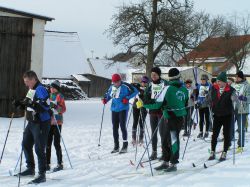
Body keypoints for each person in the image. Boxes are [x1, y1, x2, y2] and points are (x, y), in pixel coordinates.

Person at [145, 68, 188, 172]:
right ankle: (166, 161)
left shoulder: (167, 88)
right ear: (178, 77)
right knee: (169, 139)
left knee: (169, 139)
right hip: (178, 118)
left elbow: (157, 104)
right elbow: (186, 102)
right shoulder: (184, 89)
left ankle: (173, 163)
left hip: (169, 117)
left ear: (170, 77)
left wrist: (144, 103)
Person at [13, 70, 51, 184]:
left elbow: (46, 106)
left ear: (34, 79)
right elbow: (27, 102)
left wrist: (32, 105)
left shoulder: (40, 89)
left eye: (27, 81)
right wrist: (20, 104)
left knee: (39, 148)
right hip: (32, 122)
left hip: (41, 123)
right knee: (26, 144)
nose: (26, 84)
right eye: (25, 82)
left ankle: (42, 174)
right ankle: (30, 168)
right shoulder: (31, 89)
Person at [102, 74, 138, 154]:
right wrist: (105, 100)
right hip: (114, 109)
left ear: (120, 80)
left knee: (122, 126)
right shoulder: (112, 87)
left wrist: (127, 98)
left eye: (117, 81)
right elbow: (108, 95)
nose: (116, 83)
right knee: (115, 127)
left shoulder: (126, 86)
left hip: (123, 109)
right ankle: (116, 146)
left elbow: (135, 91)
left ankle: (125, 146)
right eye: (114, 82)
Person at [208, 72, 236, 161]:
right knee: (214, 134)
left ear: (224, 82)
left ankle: (224, 152)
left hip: (227, 115)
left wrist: (235, 99)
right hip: (217, 114)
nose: (218, 83)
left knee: (226, 134)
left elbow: (235, 99)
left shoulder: (231, 90)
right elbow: (208, 98)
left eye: (220, 81)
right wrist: (201, 103)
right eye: (217, 81)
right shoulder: (214, 88)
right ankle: (212, 152)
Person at [143, 67, 168, 160]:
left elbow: (168, 95)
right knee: (153, 132)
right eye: (152, 74)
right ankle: (154, 152)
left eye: (155, 74)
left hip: (162, 112)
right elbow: (146, 97)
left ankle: (164, 152)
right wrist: (147, 101)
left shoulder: (165, 83)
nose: (153, 76)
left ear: (159, 75)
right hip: (152, 111)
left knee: (163, 133)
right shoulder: (149, 85)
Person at [46, 80, 66, 172]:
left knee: (56, 143)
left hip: (57, 122)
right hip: (49, 122)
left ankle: (60, 163)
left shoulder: (60, 96)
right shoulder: (49, 96)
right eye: (51, 87)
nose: (51, 89)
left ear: (57, 88)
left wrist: (56, 107)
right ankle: (47, 163)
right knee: (48, 143)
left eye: (53, 88)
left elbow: (63, 109)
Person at [233, 71, 250, 153]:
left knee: (240, 128)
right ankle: (228, 143)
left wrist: (244, 98)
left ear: (242, 77)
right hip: (233, 108)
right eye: (236, 77)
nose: (236, 78)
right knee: (229, 127)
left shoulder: (247, 85)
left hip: (242, 109)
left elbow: (249, 98)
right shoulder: (233, 85)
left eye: (238, 77)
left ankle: (240, 145)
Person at [131, 76, 149, 146]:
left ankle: (141, 138)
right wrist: (135, 85)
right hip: (135, 106)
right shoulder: (138, 87)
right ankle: (133, 138)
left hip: (143, 107)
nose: (143, 83)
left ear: (147, 83)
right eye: (142, 82)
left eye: (145, 82)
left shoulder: (148, 89)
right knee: (135, 121)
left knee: (141, 122)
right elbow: (132, 86)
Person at [196, 74, 211, 138]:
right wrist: (196, 101)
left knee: (207, 119)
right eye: (201, 79)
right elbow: (197, 95)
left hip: (206, 105)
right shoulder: (199, 86)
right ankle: (201, 132)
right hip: (200, 104)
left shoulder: (210, 85)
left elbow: (211, 95)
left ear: (206, 80)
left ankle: (207, 131)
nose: (202, 80)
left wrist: (208, 98)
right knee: (201, 119)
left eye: (204, 79)